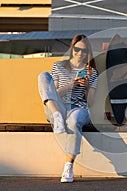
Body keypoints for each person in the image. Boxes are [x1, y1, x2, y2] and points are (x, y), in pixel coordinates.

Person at [38, 34, 98, 183]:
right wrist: (71, 85)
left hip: (78, 108)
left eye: (84, 51)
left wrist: (86, 87)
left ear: (88, 52)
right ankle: (57, 115)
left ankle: (68, 166)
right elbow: (54, 93)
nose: (80, 53)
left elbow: (90, 102)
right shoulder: (58, 66)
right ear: (72, 49)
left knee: (75, 119)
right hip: (58, 106)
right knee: (43, 76)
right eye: (77, 49)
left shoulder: (91, 72)